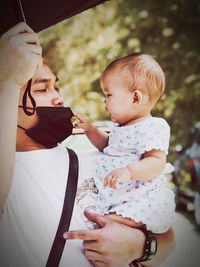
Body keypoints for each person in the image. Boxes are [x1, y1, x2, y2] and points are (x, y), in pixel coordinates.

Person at [0, 22, 175, 267]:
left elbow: (169, 239)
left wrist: (138, 245)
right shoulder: (10, 179)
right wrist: (7, 80)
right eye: (42, 88)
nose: (59, 97)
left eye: (56, 86)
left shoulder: (103, 156)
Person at [73, 53, 176, 234]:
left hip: (140, 200)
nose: (104, 102)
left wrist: (130, 171)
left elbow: (156, 162)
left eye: (108, 95)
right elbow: (107, 146)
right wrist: (89, 128)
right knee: (100, 222)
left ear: (136, 98)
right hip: (117, 198)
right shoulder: (120, 128)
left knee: (105, 225)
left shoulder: (153, 126)